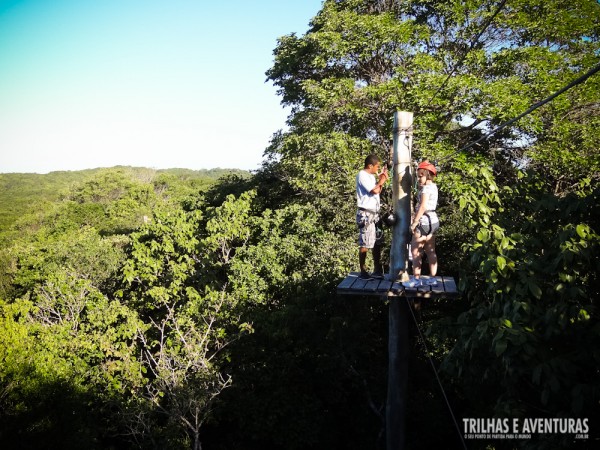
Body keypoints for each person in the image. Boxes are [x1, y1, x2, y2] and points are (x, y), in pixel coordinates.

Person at [404, 160, 439, 287]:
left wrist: (414, 222)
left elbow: (423, 206)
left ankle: (416, 280)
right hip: (433, 221)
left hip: (423, 222)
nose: (419, 179)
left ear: (428, 175)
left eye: (421, 176)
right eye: (418, 176)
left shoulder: (425, 190)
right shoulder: (434, 187)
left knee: (415, 252)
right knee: (431, 251)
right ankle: (433, 278)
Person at [356, 154, 389, 279]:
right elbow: (374, 190)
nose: (377, 169)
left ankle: (377, 269)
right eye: (377, 166)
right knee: (365, 242)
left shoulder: (371, 176)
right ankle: (363, 271)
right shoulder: (362, 175)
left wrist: (380, 179)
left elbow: (378, 190)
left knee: (377, 241)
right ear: (370, 165)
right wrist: (382, 180)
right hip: (366, 213)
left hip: (375, 213)